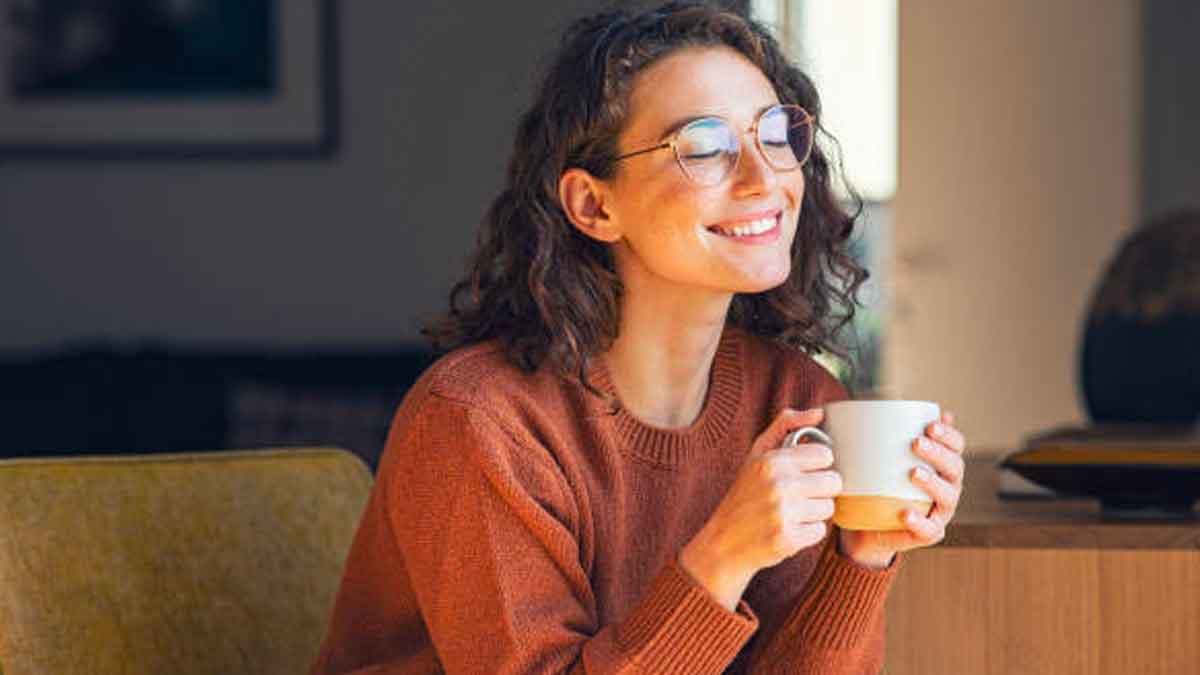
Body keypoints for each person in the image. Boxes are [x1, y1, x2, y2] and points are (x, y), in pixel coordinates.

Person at [310, 2, 966, 673]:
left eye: (774, 134)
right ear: (595, 205)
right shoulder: (480, 423)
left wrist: (861, 555)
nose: (764, 177)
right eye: (705, 148)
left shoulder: (796, 401)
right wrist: (721, 558)